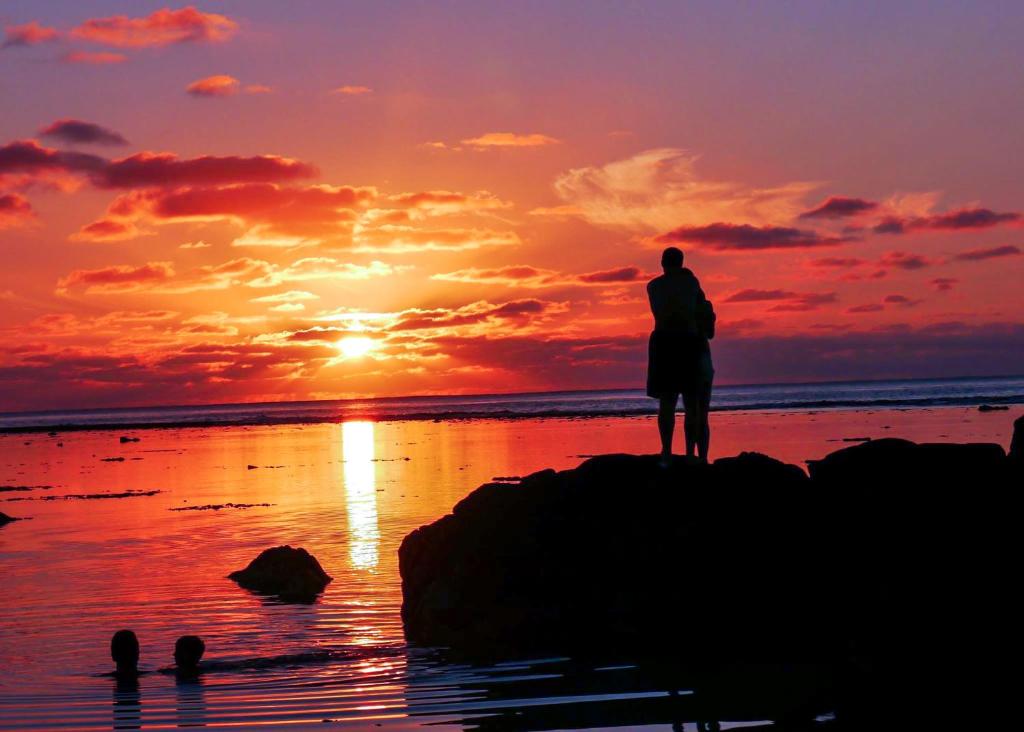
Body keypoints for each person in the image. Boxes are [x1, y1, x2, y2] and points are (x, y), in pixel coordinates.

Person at [646, 247, 715, 465]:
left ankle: (666, 452)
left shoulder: (653, 286)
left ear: (662, 263)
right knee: (691, 403)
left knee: (667, 402)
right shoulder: (692, 283)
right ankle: (690, 455)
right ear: (682, 263)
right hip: (687, 341)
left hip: (664, 342)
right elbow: (706, 326)